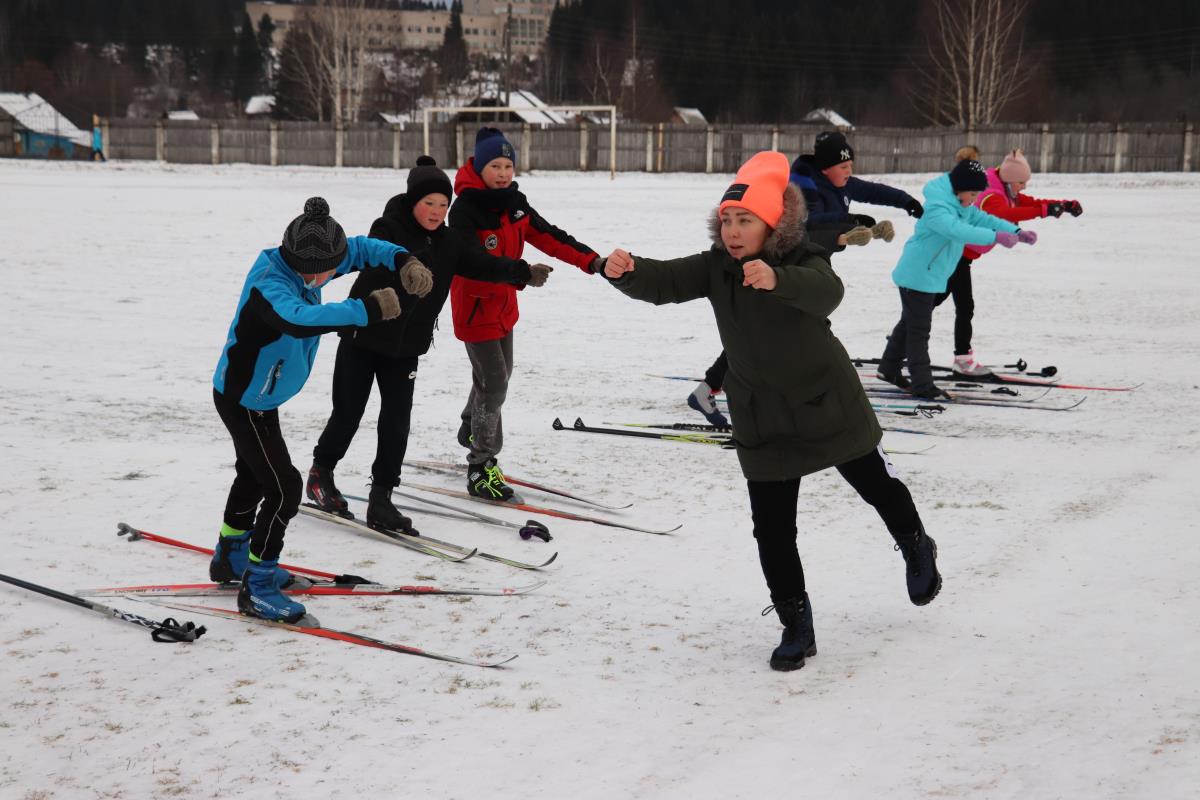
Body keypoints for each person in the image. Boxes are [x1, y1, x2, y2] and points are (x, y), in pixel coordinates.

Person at [600, 151, 941, 672]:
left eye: (746, 221)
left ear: (773, 224)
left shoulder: (803, 258)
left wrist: (777, 281)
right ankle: (796, 625)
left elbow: (828, 292)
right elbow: (664, 282)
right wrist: (625, 272)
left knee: (876, 484)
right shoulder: (717, 267)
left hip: (826, 400)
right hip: (763, 416)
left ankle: (917, 546)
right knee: (773, 529)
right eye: (727, 221)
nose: (734, 232)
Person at [210, 196, 430, 623]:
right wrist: (365, 309)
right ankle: (257, 585)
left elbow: (362, 249)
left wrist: (403, 259)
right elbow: (297, 319)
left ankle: (231, 555)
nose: (340, 271)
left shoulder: (310, 262)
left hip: (260, 396)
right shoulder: (270, 286)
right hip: (244, 400)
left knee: (253, 475)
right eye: (331, 270)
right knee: (284, 488)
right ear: (309, 268)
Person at [305, 157, 551, 530]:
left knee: (396, 423)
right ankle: (321, 474)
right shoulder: (387, 227)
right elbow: (379, 250)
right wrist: (410, 263)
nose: (437, 212)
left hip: (406, 347)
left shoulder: (450, 242)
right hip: (364, 338)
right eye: (428, 204)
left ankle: (381, 499)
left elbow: (483, 263)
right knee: (348, 414)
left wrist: (521, 272)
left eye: (443, 205)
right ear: (412, 202)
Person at [687, 132, 915, 426]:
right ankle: (718, 388)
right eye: (844, 167)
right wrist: (849, 225)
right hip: (779, 272)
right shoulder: (805, 186)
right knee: (762, 334)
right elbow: (809, 227)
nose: (850, 173)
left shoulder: (840, 181)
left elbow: (874, 191)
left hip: (805, 276)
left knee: (766, 334)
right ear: (826, 167)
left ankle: (716, 388)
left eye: (850, 167)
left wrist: (906, 201)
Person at [449, 127, 600, 500]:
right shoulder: (465, 210)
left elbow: (550, 236)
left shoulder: (514, 203)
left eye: (508, 165)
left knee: (496, 378)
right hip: (475, 309)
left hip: (503, 308)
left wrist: (592, 261)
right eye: (495, 165)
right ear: (479, 167)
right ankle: (481, 466)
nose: (503, 172)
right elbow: (473, 262)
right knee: (494, 384)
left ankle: (471, 425)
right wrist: (521, 272)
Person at [875, 160, 1035, 399]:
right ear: (959, 189)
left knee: (910, 323)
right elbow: (958, 231)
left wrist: (1015, 231)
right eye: (972, 194)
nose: (974, 199)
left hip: (927, 274)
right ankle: (922, 385)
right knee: (919, 331)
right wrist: (996, 237)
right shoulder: (939, 209)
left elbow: (983, 219)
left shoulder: (961, 204)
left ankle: (888, 369)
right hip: (918, 275)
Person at [937, 148, 1084, 375]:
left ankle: (916, 344)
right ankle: (943, 354)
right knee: (946, 304)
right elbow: (1007, 214)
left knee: (945, 304)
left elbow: (1028, 202)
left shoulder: (1004, 187)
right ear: (1010, 179)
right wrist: (1044, 211)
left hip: (962, 257)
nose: (1023, 187)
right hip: (952, 254)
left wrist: (1061, 205)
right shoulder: (991, 194)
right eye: (1021, 182)